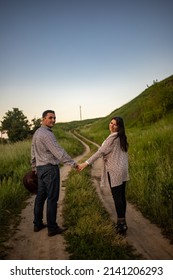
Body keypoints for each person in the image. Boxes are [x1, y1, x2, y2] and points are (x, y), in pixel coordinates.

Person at [31, 110, 78, 237]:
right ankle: (52, 227)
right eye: (50, 117)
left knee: (40, 196)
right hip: (50, 169)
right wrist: (73, 164)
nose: (53, 120)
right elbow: (59, 152)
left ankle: (37, 224)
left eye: (54, 118)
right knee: (52, 198)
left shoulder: (36, 133)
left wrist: (34, 167)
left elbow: (33, 152)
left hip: (40, 169)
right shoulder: (47, 134)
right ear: (43, 119)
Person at [78, 116, 129, 234]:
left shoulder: (112, 137)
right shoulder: (121, 137)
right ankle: (123, 221)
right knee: (121, 196)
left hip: (115, 170)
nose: (111, 125)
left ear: (119, 127)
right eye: (111, 123)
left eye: (115, 124)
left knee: (117, 197)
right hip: (122, 169)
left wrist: (86, 163)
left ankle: (121, 225)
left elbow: (100, 152)